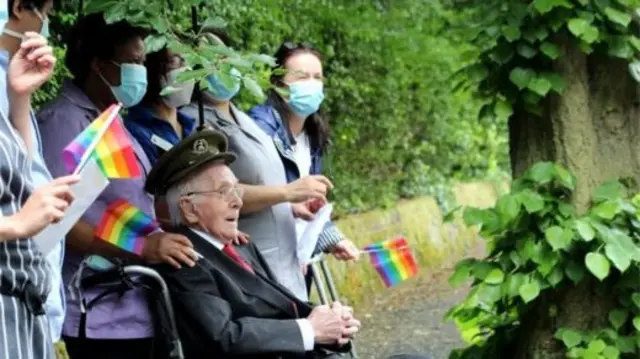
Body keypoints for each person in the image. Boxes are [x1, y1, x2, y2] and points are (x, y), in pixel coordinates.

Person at [37, 14, 196, 359]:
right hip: (98, 310)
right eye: (134, 62)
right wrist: (143, 247)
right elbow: (56, 223)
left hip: (136, 302)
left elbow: (129, 201)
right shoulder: (64, 122)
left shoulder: (110, 116)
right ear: (98, 65)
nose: (142, 71)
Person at [145, 130, 359, 359]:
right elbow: (223, 337)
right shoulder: (183, 258)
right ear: (189, 209)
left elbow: (280, 306)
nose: (237, 202)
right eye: (224, 192)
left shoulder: (239, 244)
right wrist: (310, 329)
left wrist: (331, 321)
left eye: (236, 189)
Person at [181, 31, 333, 301]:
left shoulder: (242, 117)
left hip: (285, 265)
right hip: (251, 265)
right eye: (211, 61)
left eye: (226, 57)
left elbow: (263, 184)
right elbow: (215, 195)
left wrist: (291, 206)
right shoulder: (196, 122)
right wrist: (287, 193)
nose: (222, 66)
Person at [0, 0, 79, 358]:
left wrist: (19, 99)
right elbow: (19, 214)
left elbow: (20, 174)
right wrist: (15, 224)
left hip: (23, 310)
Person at [248, 42, 359, 293]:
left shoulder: (314, 135)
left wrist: (330, 237)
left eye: (317, 77)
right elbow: (243, 198)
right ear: (278, 84)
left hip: (297, 259)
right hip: (262, 263)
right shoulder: (259, 131)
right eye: (301, 76)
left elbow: (307, 207)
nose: (311, 83)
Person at [124, 47, 196, 165]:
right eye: (175, 62)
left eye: (188, 60)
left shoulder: (190, 125)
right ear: (154, 71)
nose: (186, 69)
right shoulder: (136, 130)